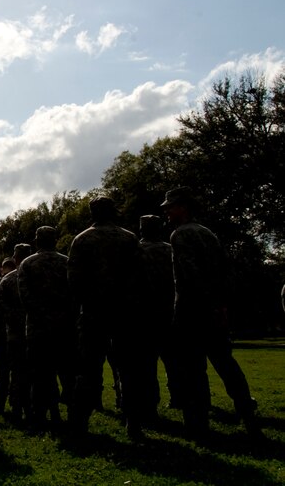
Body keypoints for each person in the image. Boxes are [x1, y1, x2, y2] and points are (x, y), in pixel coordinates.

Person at [161, 186, 262, 439]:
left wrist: (198, 306)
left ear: (183, 207)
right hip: (215, 310)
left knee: (193, 369)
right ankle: (248, 415)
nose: (167, 212)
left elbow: (190, 275)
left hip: (192, 311)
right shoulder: (208, 233)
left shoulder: (180, 235)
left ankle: (198, 425)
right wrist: (221, 305)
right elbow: (227, 271)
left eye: (170, 207)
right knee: (226, 364)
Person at [67, 196, 150, 439]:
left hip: (94, 314)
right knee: (128, 370)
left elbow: (74, 280)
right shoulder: (129, 238)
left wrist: (84, 305)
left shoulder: (82, 240)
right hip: (126, 314)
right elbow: (141, 277)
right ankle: (133, 424)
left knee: (88, 369)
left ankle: (80, 424)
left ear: (93, 213)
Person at [18, 226, 75, 431]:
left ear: (36, 241)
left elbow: (25, 297)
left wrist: (41, 316)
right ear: (55, 240)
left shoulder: (27, 264)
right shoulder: (67, 261)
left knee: (41, 376)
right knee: (68, 374)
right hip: (65, 327)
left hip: (38, 329)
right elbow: (75, 293)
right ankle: (75, 416)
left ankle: (42, 416)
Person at [138, 215, 178, 413]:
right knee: (173, 359)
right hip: (170, 310)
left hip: (145, 313)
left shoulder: (136, 250)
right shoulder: (170, 249)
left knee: (147, 362)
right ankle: (179, 396)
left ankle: (150, 402)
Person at [0, 243, 33, 424]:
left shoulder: (7, 280)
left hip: (15, 334)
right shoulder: (41, 273)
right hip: (42, 331)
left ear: (15, 258)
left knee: (17, 374)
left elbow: (1, 307)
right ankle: (47, 410)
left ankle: (18, 409)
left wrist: (17, 322)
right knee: (43, 373)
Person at [0, 257, 15, 417]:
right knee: (20, 371)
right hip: (18, 331)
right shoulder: (21, 278)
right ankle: (19, 405)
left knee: (2, 372)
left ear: (2, 269)